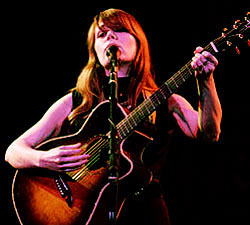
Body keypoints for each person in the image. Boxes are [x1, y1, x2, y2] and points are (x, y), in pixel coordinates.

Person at [5, 8, 222, 225]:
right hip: (87, 214)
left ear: (139, 42)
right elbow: (13, 151)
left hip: (145, 213)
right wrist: (45, 160)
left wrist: (205, 81)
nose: (110, 36)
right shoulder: (77, 100)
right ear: (95, 52)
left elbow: (209, 133)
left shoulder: (168, 101)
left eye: (119, 30)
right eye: (101, 35)